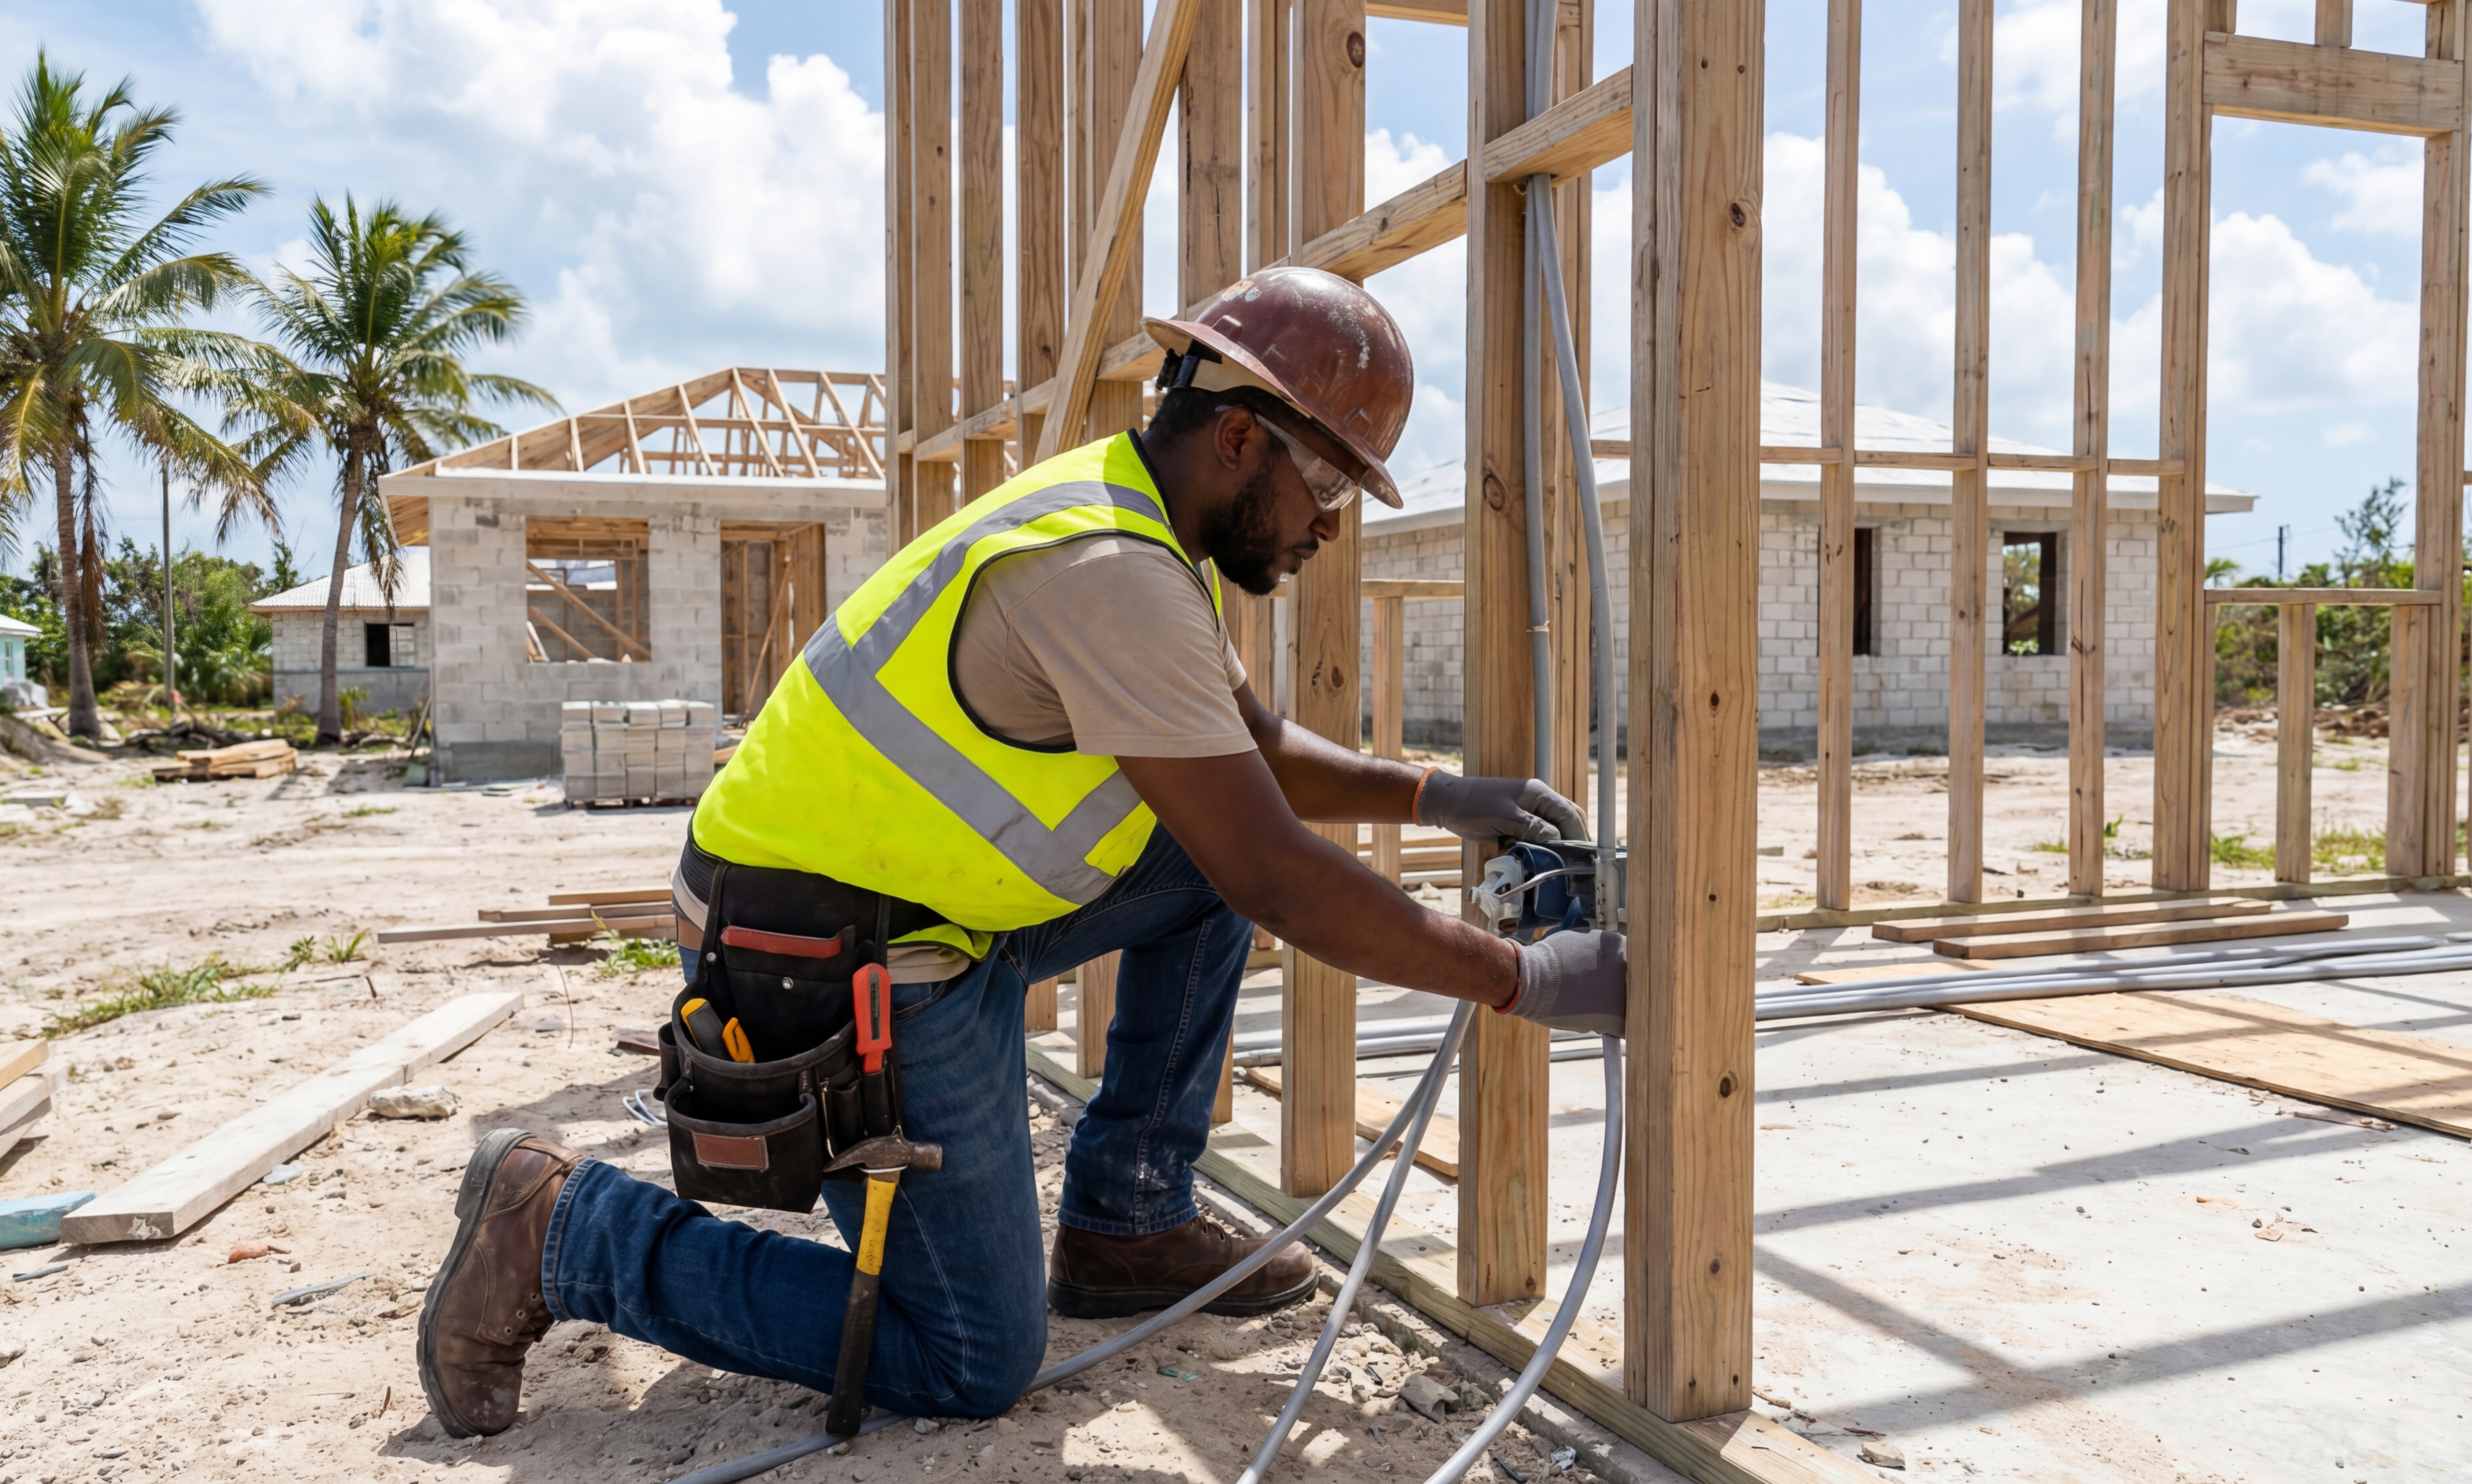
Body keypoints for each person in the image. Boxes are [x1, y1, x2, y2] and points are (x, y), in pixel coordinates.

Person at [414, 266, 1626, 1437]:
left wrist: (1441, 794)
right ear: (1242, 439)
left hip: (905, 910)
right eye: (1328, 481)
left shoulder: (1131, 520)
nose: (1328, 522)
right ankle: (566, 1229)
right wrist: (1520, 979)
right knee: (969, 1358)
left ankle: (1126, 1224)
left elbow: (1250, 749)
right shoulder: (1109, 572)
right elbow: (1273, 868)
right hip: (821, 954)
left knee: (1191, 861)